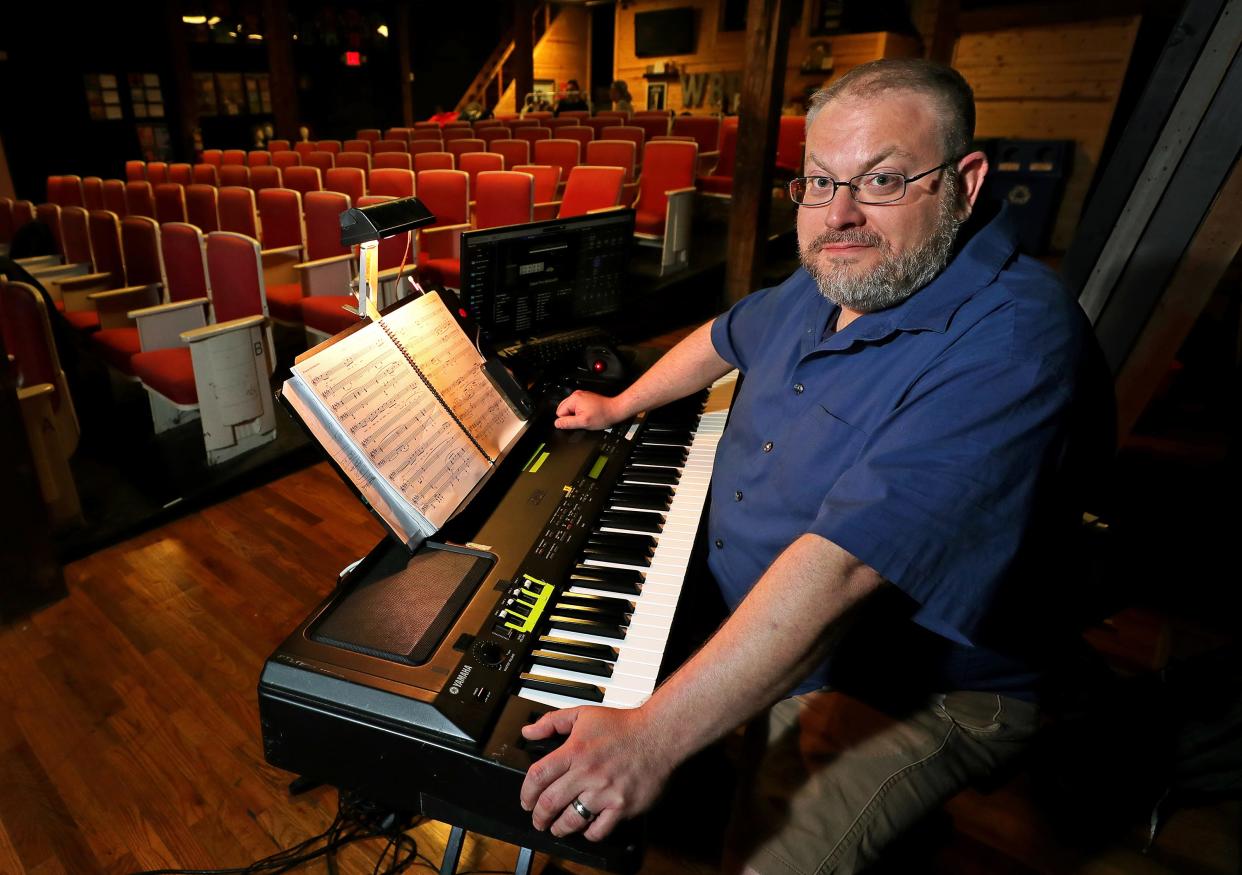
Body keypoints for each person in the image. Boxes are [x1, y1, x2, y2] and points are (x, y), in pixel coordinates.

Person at [518, 58, 1114, 873]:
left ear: (966, 184)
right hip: (777, 616)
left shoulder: (1015, 341)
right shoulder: (832, 275)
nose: (841, 214)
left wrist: (650, 739)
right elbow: (724, 335)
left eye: (885, 180)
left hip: (915, 681)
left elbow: (838, 576)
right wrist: (622, 407)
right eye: (819, 181)